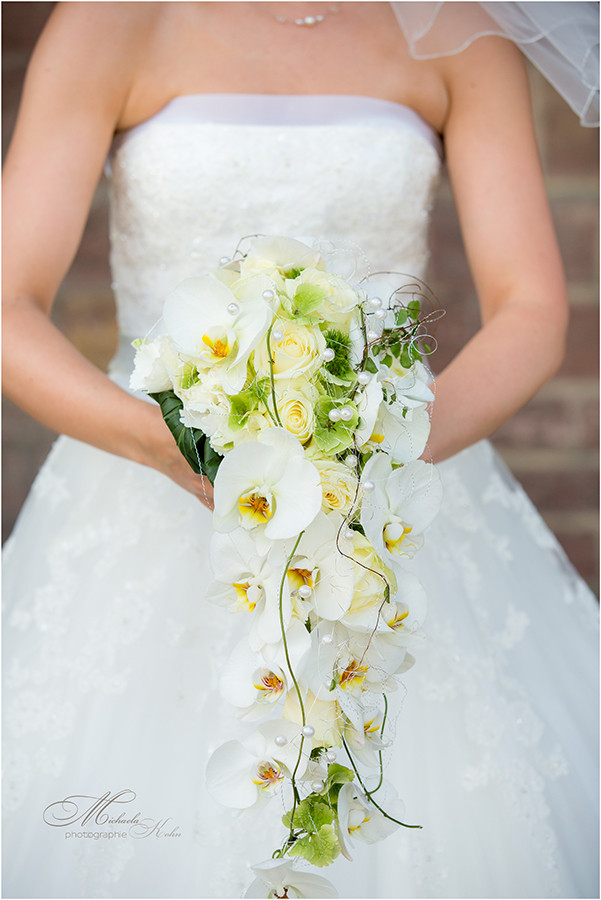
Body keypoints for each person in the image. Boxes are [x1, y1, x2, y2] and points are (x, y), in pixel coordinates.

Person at [2, 2, 598, 898]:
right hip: (149, 481)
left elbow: (532, 308)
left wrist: (376, 454)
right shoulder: (111, 20)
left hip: (390, 487)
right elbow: (8, 304)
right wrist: (167, 447)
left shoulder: (460, 29)